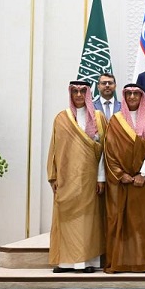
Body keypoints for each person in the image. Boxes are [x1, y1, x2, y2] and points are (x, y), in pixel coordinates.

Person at [103, 83, 145, 273]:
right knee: (124, 224)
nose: (132, 97)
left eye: (136, 94)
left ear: (141, 97)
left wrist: (143, 173)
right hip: (123, 183)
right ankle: (123, 262)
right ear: (124, 97)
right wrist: (121, 174)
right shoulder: (116, 120)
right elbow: (109, 151)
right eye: (129, 94)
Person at [47, 81, 108, 273]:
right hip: (66, 178)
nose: (79, 95)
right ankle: (65, 262)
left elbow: (104, 151)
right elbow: (54, 149)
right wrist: (53, 175)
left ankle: (88, 262)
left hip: (90, 178)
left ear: (88, 94)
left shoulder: (98, 117)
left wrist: (101, 177)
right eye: (75, 91)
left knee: (88, 220)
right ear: (70, 94)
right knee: (66, 217)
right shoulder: (61, 118)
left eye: (83, 91)